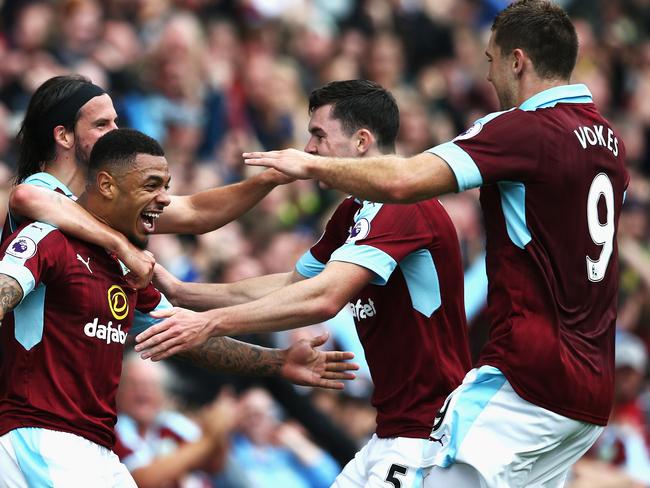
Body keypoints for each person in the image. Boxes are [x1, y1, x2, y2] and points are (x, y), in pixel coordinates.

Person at [242, 1, 630, 486]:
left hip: (530, 377)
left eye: (489, 61)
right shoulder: (609, 142)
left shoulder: (524, 129)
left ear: (517, 61)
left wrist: (311, 165)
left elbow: (405, 178)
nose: (487, 78)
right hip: (591, 391)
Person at [135, 79, 472, 486]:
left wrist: (211, 322)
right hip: (392, 432)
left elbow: (324, 297)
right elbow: (294, 283)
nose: (309, 149)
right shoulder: (352, 210)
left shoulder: (402, 207)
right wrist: (185, 293)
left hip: (427, 436)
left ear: (362, 141)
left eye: (318, 135)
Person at [0, 128, 357, 487]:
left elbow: (186, 336)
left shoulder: (126, 268)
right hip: (39, 436)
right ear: (107, 185)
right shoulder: (47, 240)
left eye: (167, 185)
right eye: (152, 185)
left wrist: (277, 361)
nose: (165, 198)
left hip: (96, 448)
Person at [6, 74, 291, 287]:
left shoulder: (105, 200)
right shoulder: (39, 188)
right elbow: (26, 197)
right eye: (102, 124)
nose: (116, 133)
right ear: (63, 135)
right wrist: (124, 247)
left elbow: (196, 212)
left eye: (115, 122)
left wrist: (269, 179)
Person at [114, 353, 239, 488]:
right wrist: (207, 439)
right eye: (134, 384)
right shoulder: (112, 429)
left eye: (151, 386)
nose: (143, 392)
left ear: (163, 393)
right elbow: (141, 480)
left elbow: (214, 465)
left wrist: (219, 427)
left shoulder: (172, 423)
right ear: (119, 389)